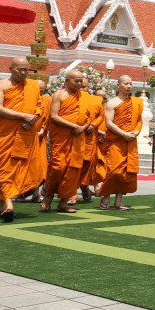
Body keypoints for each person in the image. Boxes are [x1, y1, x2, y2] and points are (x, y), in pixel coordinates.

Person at [0, 58, 44, 222]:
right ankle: (9, 204)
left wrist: (33, 119)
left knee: (18, 170)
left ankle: (0, 204)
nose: (23, 72)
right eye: (19, 69)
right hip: (4, 135)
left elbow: (39, 106)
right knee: (3, 168)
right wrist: (23, 116)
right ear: (10, 68)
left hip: (25, 134)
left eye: (26, 70)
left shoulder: (33, 86)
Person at [42, 70, 88, 213]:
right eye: (76, 81)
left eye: (81, 81)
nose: (79, 84)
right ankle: (48, 197)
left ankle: (64, 202)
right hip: (62, 138)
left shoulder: (85, 97)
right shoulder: (59, 95)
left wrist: (82, 127)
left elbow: (89, 117)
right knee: (58, 167)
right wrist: (73, 126)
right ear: (67, 81)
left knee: (73, 170)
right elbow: (54, 116)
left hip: (78, 138)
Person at [98, 75, 144, 211]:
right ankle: (105, 197)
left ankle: (118, 201)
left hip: (130, 141)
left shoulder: (136, 102)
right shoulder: (112, 103)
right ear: (118, 85)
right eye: (126, 83)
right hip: (116, 142)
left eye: (130, 83)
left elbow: (139, 120)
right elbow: (109, 123)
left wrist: (136, 132)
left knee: (126, 172)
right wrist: (123, 134)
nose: (129, 86)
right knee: (113, 171)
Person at [77, 87, 107, 203]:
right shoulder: (83, 101)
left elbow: (104, 121)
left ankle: (91, 186)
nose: (101, 99)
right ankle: (76, 191)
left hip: (99, 141)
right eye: (99, 96)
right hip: (84, 137)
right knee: (79, 164)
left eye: (103, 98)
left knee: (95, 165)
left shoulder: (104, 108)